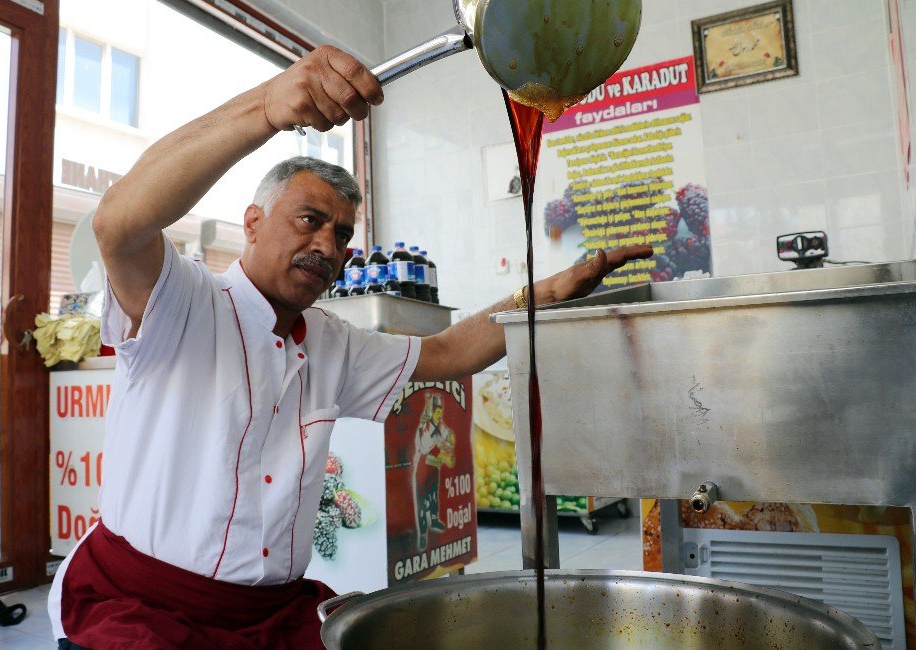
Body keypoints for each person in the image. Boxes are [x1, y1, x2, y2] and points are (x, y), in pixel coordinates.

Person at [48, 44, 653, 649]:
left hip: (272, 614)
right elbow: (118, 224)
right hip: (143, 608)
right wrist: (266, 106)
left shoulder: (332, 343)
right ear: (253, 222)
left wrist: (551, 290)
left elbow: (448, 353)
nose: (328, 246)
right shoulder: (182, 302)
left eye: (341, 235)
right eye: (308, 219)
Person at [412, 392, 455, 551]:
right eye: (437, 411)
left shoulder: (440, 425)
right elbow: (425, 447)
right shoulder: (425, 427)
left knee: (433, 495)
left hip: (434, 469)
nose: (439, 414)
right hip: (423, 469)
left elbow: (447, 436)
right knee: (422, 501)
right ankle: (423, 533)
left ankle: (434, 519)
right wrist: (442, 452)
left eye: (441, 411)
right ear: (432, 411)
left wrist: (450, 440)